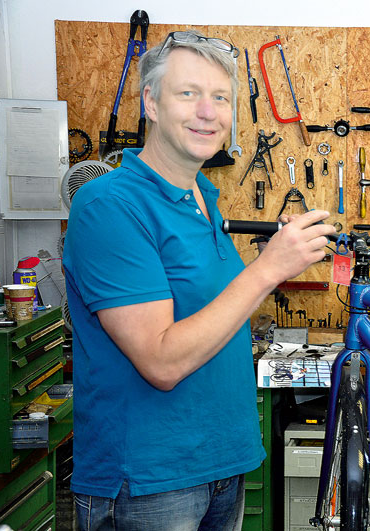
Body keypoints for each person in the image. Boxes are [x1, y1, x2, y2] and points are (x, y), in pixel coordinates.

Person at [62, 30, 334, 530]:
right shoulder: (108, 205)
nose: (208, 112)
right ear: (151, 102)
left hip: (222, 465)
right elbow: (161, 361)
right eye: (188, 94)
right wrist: (268, 269)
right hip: (147, 480)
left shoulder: (204, 198)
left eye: (221, 98)